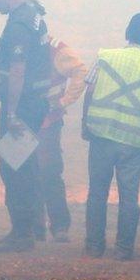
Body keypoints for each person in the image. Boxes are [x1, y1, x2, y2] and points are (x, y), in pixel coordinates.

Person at [81, 13, 140, 260]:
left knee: (97, 192)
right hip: (134, 142)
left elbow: (90, 91)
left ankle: (93, 246)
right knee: (129, 197)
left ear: (126, 33)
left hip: (101, 135)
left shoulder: (105, 57)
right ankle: (123, 249)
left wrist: (85, 124)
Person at [0, 0, 52, 253]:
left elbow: (18, 70)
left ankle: (22, 233)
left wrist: (10, 113)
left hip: (22, 105)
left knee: (14, 166)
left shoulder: (20, 23)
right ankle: (35, 226)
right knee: (28, 165)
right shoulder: (33, 14)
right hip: (35, 102)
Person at [33, 35, 87, 243]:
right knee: (26, 172)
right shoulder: (16, 41)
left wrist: (63, 102)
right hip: (22, 122)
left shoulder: (55, 49)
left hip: (47, 122)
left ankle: (59, 225)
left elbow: (81, 71)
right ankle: (34, 226)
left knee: (49, 172)